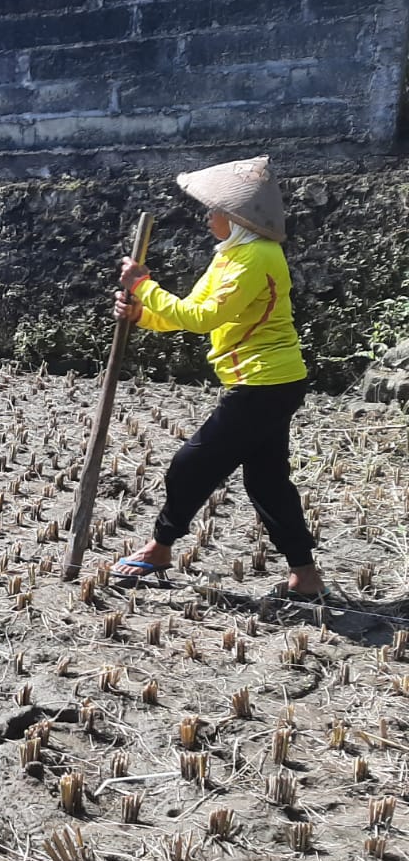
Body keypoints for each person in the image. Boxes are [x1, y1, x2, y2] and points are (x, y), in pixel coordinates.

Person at [111, 156, 325, 600]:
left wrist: (143, 284)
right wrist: (141, 313)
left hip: (265, 383)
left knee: (191, 464)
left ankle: (159, 548)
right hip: (265, 381)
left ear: (237, 217)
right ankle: (305, 576)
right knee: (266, 480)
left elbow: (204, 318)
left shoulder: (258, 258)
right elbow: (188, 309)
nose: (209, 217)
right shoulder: (231, 255)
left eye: (215, 211)